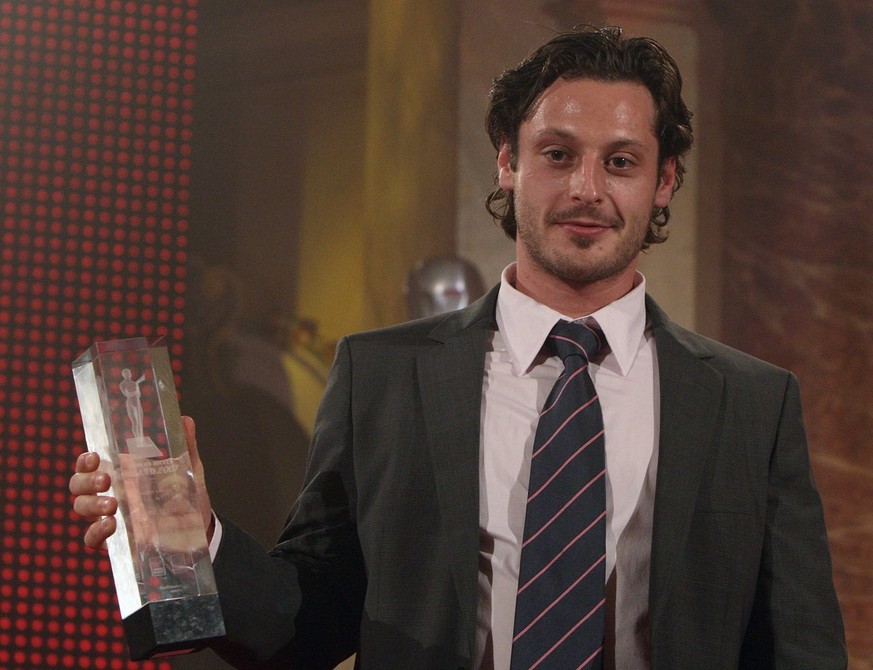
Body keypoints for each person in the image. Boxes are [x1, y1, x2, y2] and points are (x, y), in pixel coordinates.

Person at [70, 26, 847, 669]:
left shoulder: (751, 401)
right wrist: (195, 536)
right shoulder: (380, 375)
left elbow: (800, 649)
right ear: (507, 162)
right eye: (556, 154)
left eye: (620, 161)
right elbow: (305, 624)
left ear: (664, 181)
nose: (586, 188)